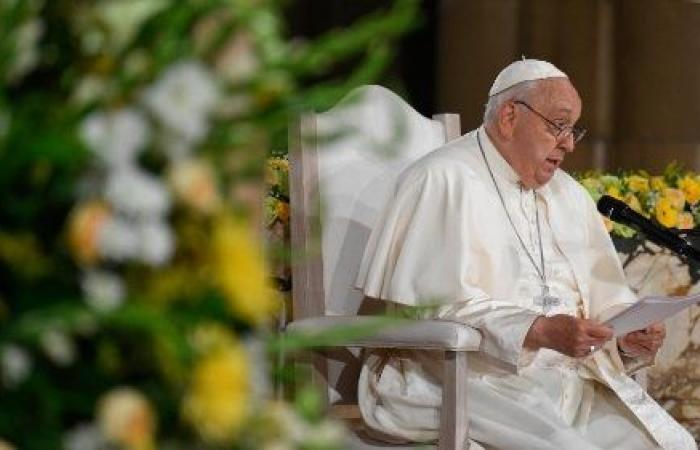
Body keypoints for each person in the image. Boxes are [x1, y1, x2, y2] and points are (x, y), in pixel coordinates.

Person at [354, 59, 697, 450]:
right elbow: (428, 310)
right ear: (509, 117)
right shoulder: (442, 178)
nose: (568, 143)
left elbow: (604, 303)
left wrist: (624, 338)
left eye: (573, 130)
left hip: (569, 381)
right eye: (558, 125)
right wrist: (539, 330)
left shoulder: (568, 193)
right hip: (462, 378)